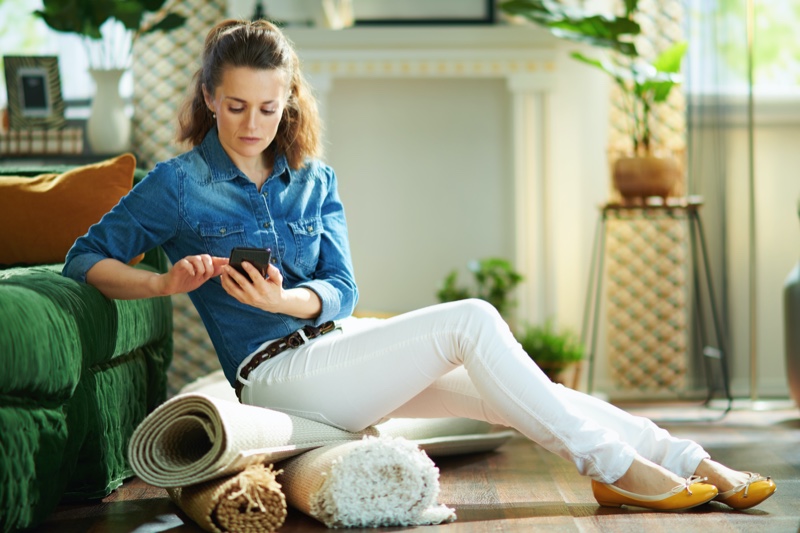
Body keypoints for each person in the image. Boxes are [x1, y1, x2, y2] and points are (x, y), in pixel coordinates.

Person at [63, 19, 776, 513]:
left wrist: (294, 302)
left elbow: (344, 288)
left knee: (510, 391)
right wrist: (163, 281)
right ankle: (617, 469)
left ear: (289, 103)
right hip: (275, 378)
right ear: (210, 99)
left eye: (270, 108)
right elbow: (83, 258)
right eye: (237, 106)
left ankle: (686, 461)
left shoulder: (314, 178)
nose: (253, 124)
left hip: (334, 353)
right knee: (471, 318)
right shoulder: (178, 183)